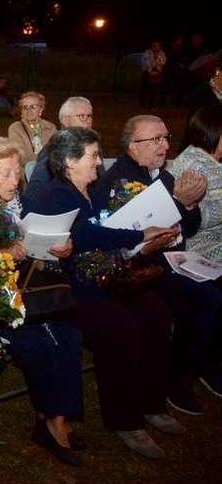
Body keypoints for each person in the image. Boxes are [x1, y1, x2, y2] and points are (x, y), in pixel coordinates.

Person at [29, 127, 183, 458]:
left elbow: (109, 228)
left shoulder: (94, 190)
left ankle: (151, 403)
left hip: (108, 276)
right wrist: (139, 234)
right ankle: (125, 420)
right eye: (93, 156)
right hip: (72, 288)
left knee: (156, 313)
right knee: (120, 326)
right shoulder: (56, 195)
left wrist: (140, 243)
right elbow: (86, 236)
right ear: (70, 161)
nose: (100, 162)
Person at [96, 115, 222, 416]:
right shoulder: (118, 180)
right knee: (204, 299)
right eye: (155, 140)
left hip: (173, 260)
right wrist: (180, 201)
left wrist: (189, 205)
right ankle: (178, 381)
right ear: (132, 146)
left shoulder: (163, 176)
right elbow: (131, 235)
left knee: (215, 289)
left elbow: (189, 228)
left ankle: (202, 367)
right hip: (139, 268)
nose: (165, 145)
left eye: (165, 137)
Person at [0, 137, 85, 466]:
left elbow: (39, 252)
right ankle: (53, 421)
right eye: (4, 173)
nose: (14, 180)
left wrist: (59, 249)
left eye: (17, 171)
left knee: (69, 336)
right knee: (41, 343)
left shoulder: (21, 203)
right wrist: (4, 255)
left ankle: (52, 417)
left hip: (31, 295)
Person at [168, 105, 222, 263]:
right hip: (202, 246)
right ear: (212, 132)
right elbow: (197, 221)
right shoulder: (196, 167)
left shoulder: (211, 160)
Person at [22, 96, 95, 208]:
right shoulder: (55, 149)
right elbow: (35, 190)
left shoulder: (93, 146)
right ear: (65, 120)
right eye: (82, 116)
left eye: (90, 116)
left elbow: (101, 184)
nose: (88, 121)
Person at [7, 91, 57, 165]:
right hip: (27, 171)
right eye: (25, 107)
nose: (29, 110)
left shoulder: (50, 128)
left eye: (33, 107)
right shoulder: (16, 128)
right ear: (21, 111)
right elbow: (20, 156)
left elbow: (57, 152)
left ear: (41, 109)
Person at [140, 40, 167, 109]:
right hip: (147, 72)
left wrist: (156, 59)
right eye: (155, 45)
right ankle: (142, 104)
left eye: (158, 45)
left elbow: (163, 62)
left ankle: (151, 105)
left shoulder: (162, 53)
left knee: (153, 90)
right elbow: (144, 62)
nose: (156, 46)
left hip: (157, 72)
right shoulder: (147, 52)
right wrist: (152, 62)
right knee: (145, 88)